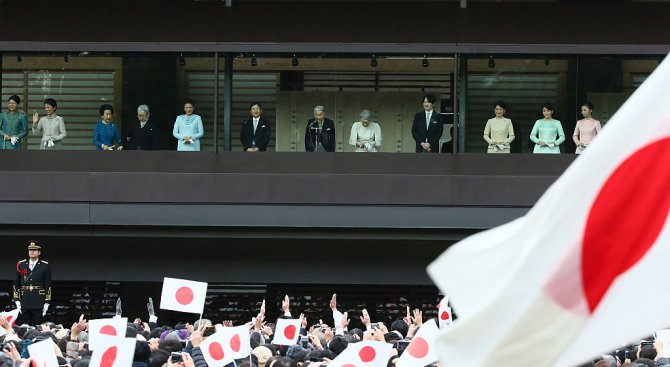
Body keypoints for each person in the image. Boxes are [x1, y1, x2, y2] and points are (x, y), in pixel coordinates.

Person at [13, 240, 52, 326]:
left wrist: (47, 302)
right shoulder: (21, 264)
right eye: (30, 250)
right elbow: (16, 283)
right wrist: (16, 300)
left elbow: (48, 285)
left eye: (34, 250)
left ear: (39, 252)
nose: (32, 252)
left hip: (38, 300)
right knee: (24, 326)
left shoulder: (45, 266)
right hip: (24, 300)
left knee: (37, 326)